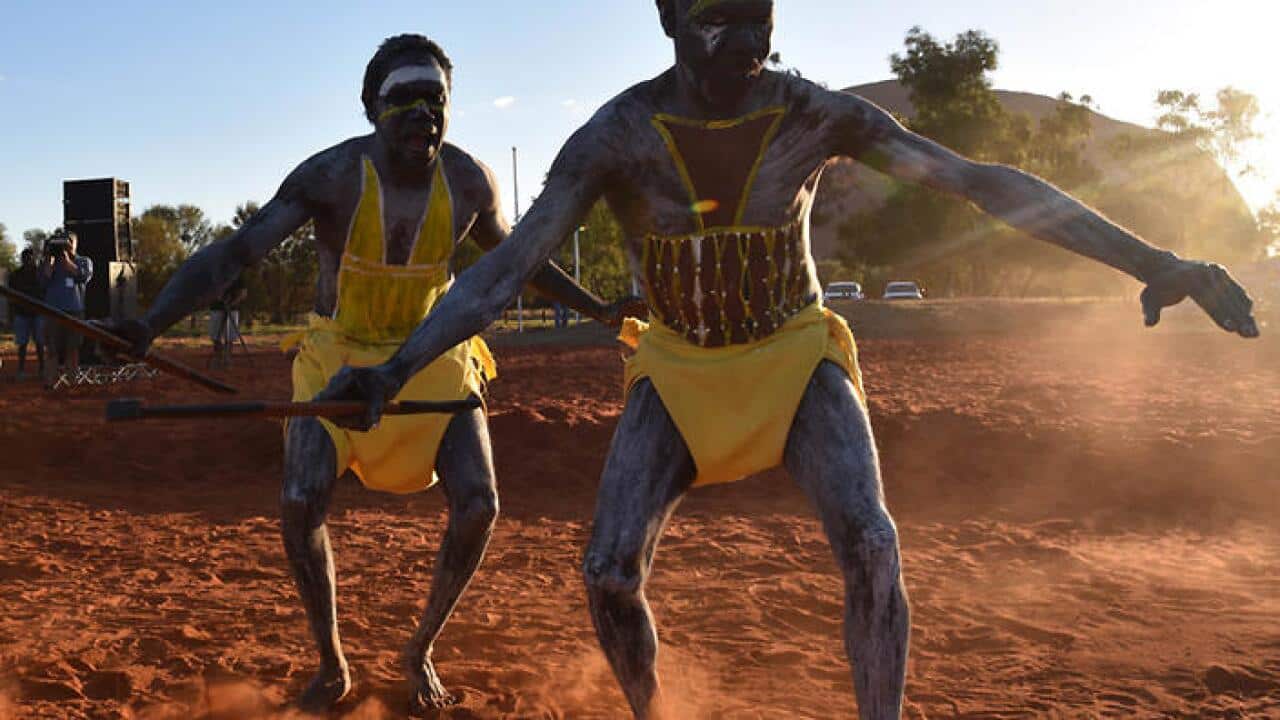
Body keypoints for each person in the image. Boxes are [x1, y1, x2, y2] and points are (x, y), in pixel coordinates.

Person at [318, 2, 1259, 718]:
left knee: (873, 543)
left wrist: (1157, 260)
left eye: (759, 16)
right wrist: (392, 372)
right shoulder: (616, 136)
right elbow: (506, 272)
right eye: (718, 19)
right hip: (679, 370)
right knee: (608, 572)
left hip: (796, 354)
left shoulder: (813, 114)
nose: (743, 44)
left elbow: (981, 185)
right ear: (670, 21)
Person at [110, 34, 641, 715]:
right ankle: (332, 663)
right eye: (403, 99)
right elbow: (237, 252)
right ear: (371, 108)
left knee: (479, 505)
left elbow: (520, 262)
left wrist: (599, 310)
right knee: (301, 502)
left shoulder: (471, 182)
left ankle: (419, 648)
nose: (422, 113)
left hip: (431, 357)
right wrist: (150, 322)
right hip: (338, 357)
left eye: (435, 100)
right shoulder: (329, 177)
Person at [40, 229, 93, 387]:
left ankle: (72, 383)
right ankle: (50, 383)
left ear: (75, 243)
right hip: (52, 311)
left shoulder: (83, 260)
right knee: (51, 348)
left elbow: (84, 277)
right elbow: (42, 283)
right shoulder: (49, 262)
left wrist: (68, 261)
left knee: (73, 348)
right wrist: (48, 264)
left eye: (69, 241)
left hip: (74, 311)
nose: (66, 244)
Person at [8, 248, 46, 379]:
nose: (28, 261)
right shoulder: (15, 275)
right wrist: (11, 315)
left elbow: (45, 292)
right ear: (22, 260)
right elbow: (11, 297)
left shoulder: (40, 274)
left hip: (38, 313)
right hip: (21, 314)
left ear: (33, 259)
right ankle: (21, 370)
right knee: (22, 344)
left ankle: (42, 369)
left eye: (30, 258)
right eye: (25, 258)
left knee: (40, 343)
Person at [208, 275, 246, 363]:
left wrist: (233, 303)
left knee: (230, 337)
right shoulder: (214, 273)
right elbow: (208, 290)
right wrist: (216, 297)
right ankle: (218, 357)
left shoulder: (237, 275)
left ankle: (228, 358)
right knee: (215, 336)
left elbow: (243, 293)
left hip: (232, 309)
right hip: (216, 308)